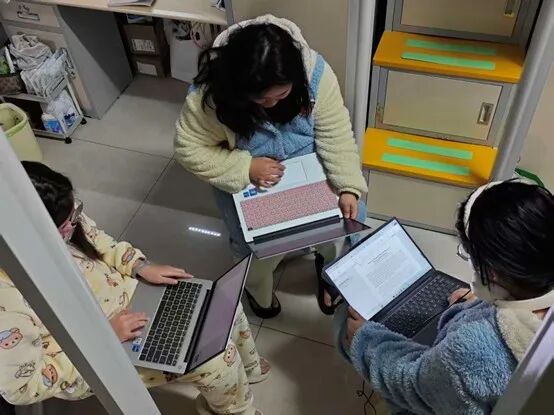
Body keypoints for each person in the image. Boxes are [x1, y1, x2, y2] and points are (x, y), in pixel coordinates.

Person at [0, 162, 270, 415]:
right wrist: (105, 337)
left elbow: (98, 241)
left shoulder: (59, 215)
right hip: (96, 352)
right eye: (64, 225)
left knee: (223, 305)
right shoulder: (7, 298)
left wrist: (140, 266)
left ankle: (250, 370)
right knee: (217, 361)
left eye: (75, 214)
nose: (74, 224)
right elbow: (22, 388)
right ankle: (237, 409)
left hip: (129, 302)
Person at [175, 15, 368, 318]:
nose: (270, 104)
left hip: (308, 168)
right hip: (249, 179)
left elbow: (336, 133)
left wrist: (348, 186)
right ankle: (260, 295)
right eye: (260, 99)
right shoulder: (209, 95)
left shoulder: (315, 73)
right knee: (255, 252)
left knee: (339, 226)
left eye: (280, 95)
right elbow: (188, 149)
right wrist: (245, 168)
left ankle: (330, 274)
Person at [337, 180, 553, 414]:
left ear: (492, 271)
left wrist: (366, 341)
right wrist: (477, 306)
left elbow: (412, 384)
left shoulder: (474, 347)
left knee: (342, 323)